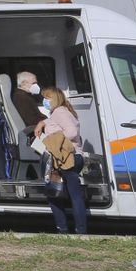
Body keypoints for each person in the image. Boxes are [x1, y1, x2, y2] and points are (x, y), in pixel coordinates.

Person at [39, 86, 88, 234]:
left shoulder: (59, 112)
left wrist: (53, 141)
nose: (44, 101)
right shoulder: (62, 112)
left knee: (58, 195)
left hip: (66, 158)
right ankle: (77, 229)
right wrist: (43, 122)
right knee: (67, 194)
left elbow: (71, 132)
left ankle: (67, 229)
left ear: (55, 99)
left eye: (47, 98)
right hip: (71, 157)